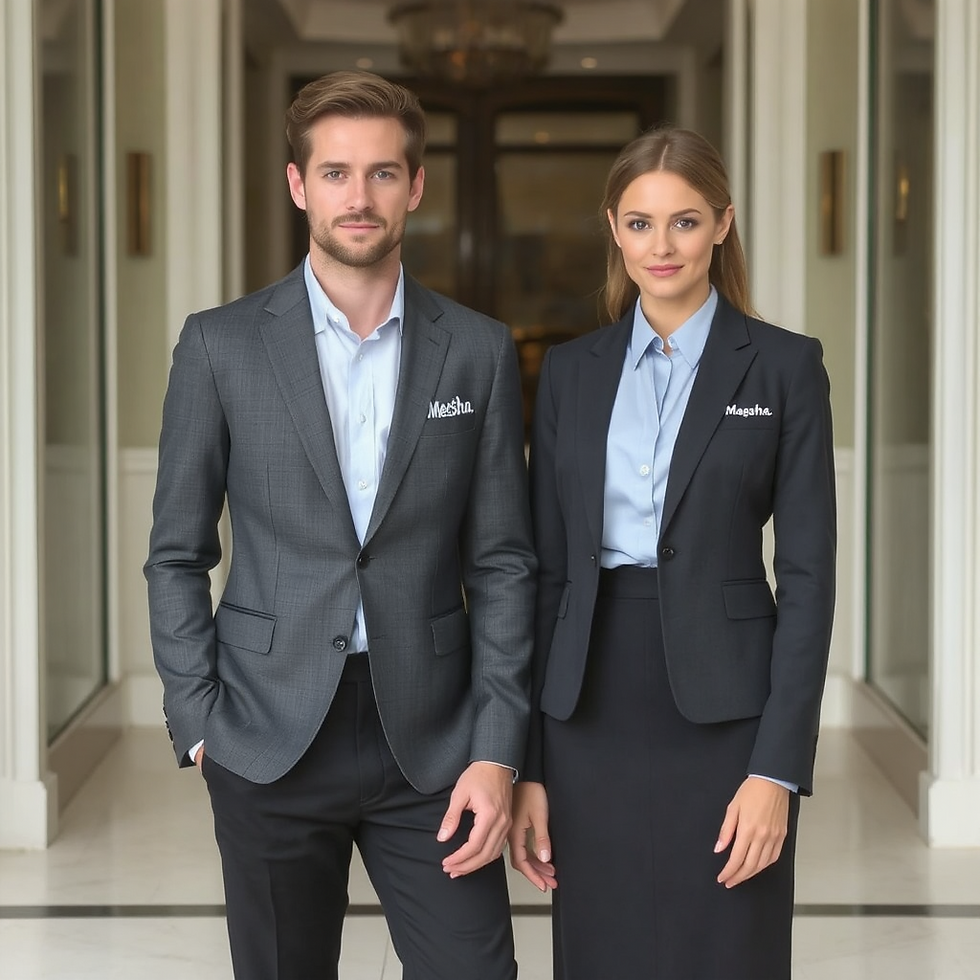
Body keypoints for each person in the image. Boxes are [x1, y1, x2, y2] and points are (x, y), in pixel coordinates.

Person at [145, 70, 536, 980]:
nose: (358, 198)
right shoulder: (221, 345)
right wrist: (198, 719)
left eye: (382, 174)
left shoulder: (475, 348)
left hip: (435, 741)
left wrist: (497, 749)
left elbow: (506, 562)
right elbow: (176, 552)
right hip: (266, 732)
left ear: (416, 186)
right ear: (298, 186)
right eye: (335, 174)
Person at [508, 126, 836, 979]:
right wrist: (530, 768)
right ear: (614, 228)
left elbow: (807, 579)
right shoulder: (570, 372)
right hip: (587, 705)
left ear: (722, 225)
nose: (664, 246)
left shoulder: (785, 368)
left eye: (685, 222)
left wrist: (779, 770)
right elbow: (545, 576)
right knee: (603, 947)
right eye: (642, 223)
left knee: (729, 946)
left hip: (730, 709)